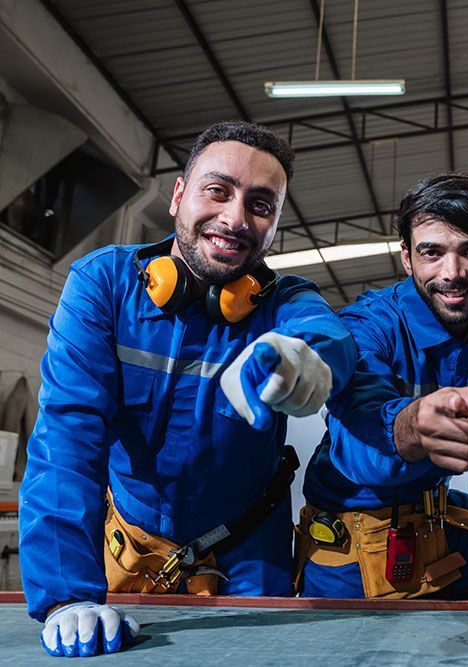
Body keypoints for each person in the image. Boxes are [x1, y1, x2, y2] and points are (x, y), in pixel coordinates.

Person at [19, 121, 357, 657]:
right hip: (127, 547)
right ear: (178, 196)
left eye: (260, 205)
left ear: (275, 225)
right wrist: (66, 597)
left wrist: (308, 355)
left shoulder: (284, 300)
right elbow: (66, 440)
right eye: (217, 190)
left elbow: (326, 332)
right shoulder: (104, 286)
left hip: (250, 554)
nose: (234, 218)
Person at [297, 173, 468, 600]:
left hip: (440, 522)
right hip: (350, 542)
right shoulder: (367, 325)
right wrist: (410, 427)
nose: (453, 273)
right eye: (432, 252)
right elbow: (357, 442)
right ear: (407, 258)